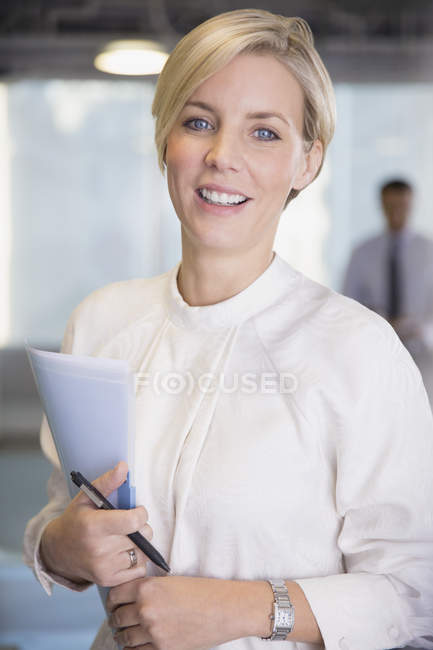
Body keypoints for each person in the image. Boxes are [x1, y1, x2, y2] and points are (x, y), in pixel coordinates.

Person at [24, 9, 433, 650]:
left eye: (264, 133)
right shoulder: (101, 322)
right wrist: (60, 547)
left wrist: (244, 610)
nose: (222, 157)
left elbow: (416, 599)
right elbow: (62, 513)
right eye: (198, 122)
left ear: (308, 162)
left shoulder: (361, 352)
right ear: (166, 140)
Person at [343, 179, 433, 406]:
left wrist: (421, 329)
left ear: (411, 205)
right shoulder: (362, 253)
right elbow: (347, 304)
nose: (396, 213)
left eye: (401, 206)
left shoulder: (428, 251)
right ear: (381, 205)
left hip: (423, 353)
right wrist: (379, 322)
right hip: (376, 352)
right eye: (390, 206)